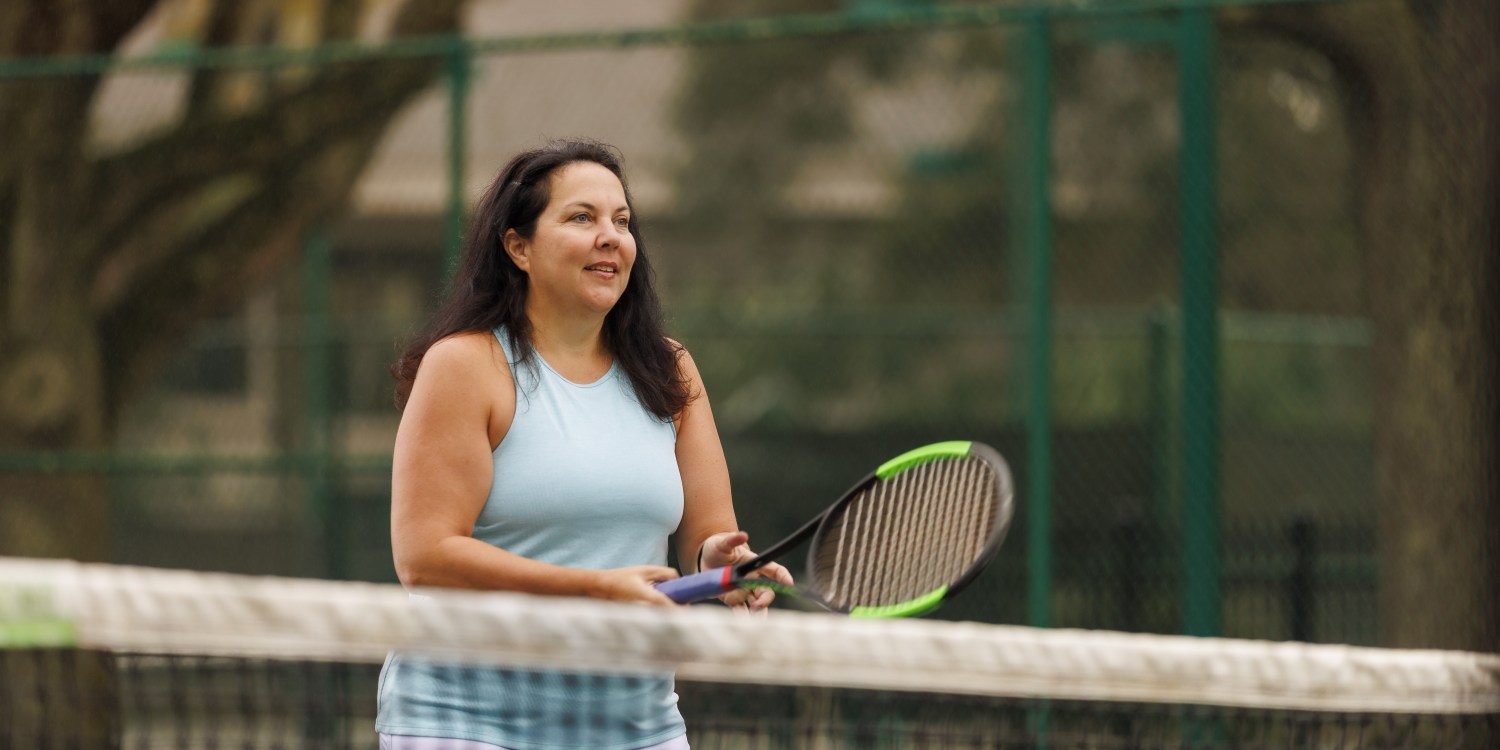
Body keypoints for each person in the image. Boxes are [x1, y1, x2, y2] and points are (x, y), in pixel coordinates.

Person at [376, 139, 793, 750]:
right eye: (581, 218)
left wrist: (725, 570)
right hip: (467, 722)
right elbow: (426, 558)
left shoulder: (671, 371)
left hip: (636, 726)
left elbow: (709, 539)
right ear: (518, 247)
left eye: (622, 222)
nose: (611, 237)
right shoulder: (465, 365)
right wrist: (595, 588)